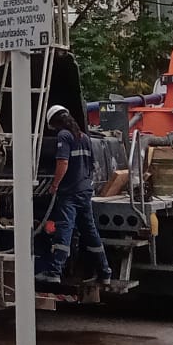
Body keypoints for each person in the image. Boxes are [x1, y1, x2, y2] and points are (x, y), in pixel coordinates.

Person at [35, 104, 111, 285]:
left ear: (54, 122)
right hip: (85, 191)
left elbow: (63, 163)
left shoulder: (64, 136)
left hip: (70, 192)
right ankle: (105, 272)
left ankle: (54, 272)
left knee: (64, 229)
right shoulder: (84, 137)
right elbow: (92, 165)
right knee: (90, 232)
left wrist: (55, 185)